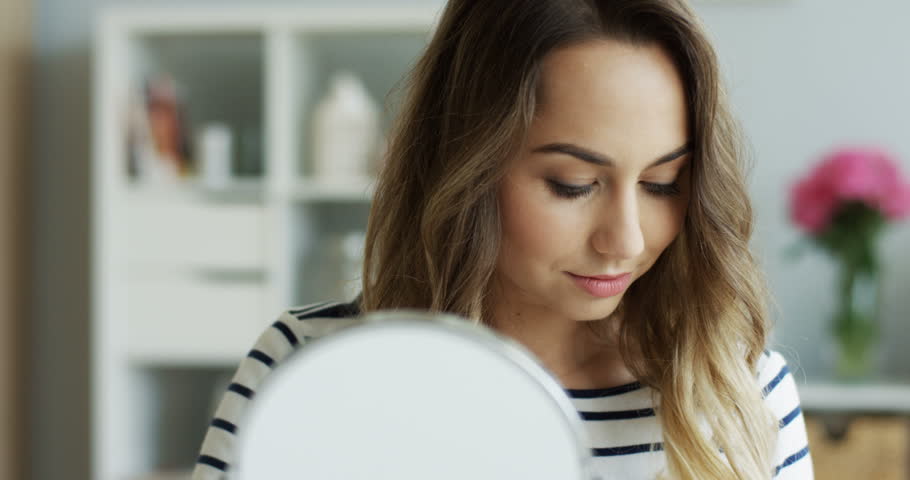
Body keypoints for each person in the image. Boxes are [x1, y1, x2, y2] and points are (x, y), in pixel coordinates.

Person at [192, 0, 813, 478]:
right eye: (573, 184)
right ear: (466, 165)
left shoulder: (742, 395)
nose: (623, 239)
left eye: (662, 182)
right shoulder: (305, 369)